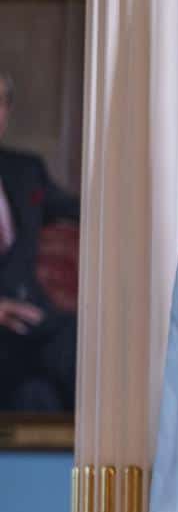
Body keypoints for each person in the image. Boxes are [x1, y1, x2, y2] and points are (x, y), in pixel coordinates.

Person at [0, 72, 81, 412]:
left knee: (42, 395)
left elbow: (83, 211)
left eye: (0, 102)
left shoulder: (25, 170)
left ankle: (119, 456)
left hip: (32, 327)